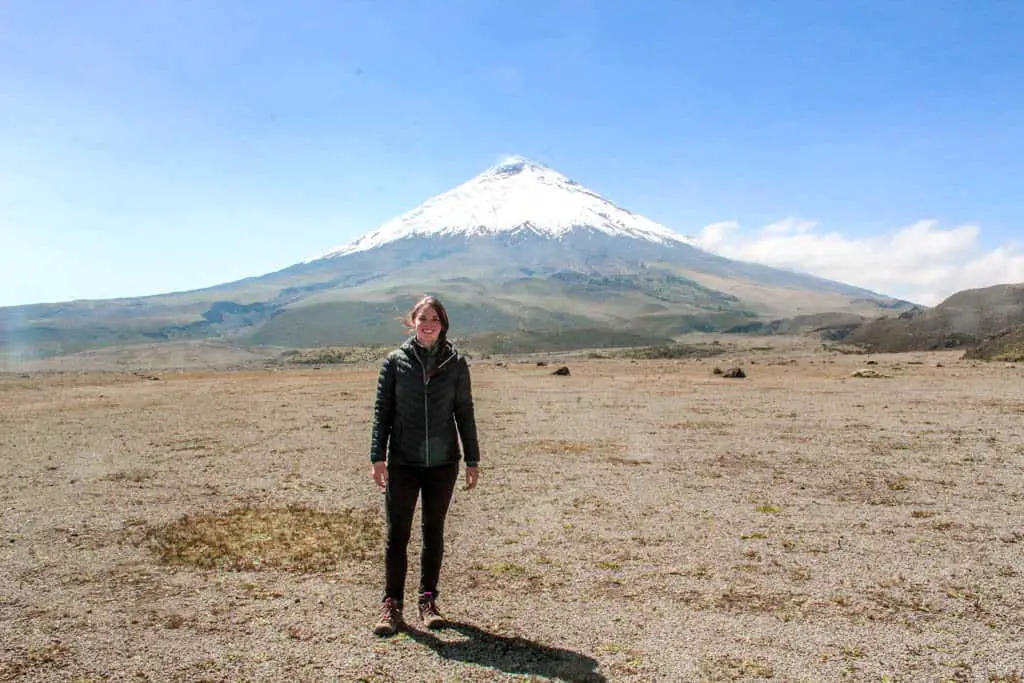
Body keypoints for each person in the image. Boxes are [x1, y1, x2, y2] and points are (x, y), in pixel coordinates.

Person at [369, 295, 480, 636]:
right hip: (403, 462)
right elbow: (382, 412)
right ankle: (392, 605)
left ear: (443, 323)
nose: (428, 323)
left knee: (434, 532)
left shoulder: (456, 364)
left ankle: (428, 601)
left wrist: (472, 458)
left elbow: (464, 412)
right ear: (412, 322)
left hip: (443, 463)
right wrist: (378, 457)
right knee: (396, 535)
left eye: (435, 318)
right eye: (422, 318)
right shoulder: (395, 362)